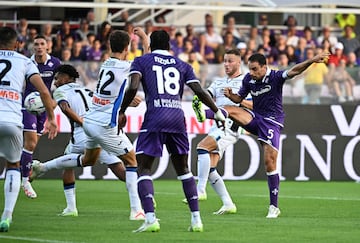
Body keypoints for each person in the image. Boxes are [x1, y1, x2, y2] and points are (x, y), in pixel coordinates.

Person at [194, 51, 330, 218]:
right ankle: (203, 113)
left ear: (264, 67)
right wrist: (231, 96)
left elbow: (295, 71)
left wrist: (312, 60)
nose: (251, 73)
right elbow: (239, 99)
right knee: (232, 109)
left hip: (272, 121)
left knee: (269, 162)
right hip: (255, 118)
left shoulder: (275, 76)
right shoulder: (248, 79)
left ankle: (274, 207)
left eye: (255, 69)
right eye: (250, 69)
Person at [119, 30, 226, 233]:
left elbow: (133, 87)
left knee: (143, 168)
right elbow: (200, 91)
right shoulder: (183, 65)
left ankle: (150, 219)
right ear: (169, 45)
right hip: (177, 118)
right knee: (184, 170)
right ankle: (196, 220)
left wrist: (122, 111)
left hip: (155, 117)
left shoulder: (141, 61)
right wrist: (216, 111)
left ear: (151, 43)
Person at [31, 64, 144, 220]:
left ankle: (68, 204)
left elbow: (65, 107)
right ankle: (143, 196)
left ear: (67, 78)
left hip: (82, 130)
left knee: (68, 163)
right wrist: (128, 101)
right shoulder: (88, 90)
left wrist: (82, 122)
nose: (55, 82)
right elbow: (108, 102)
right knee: (119, 167)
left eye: (57, 78)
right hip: (100, 128)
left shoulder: (60, 91)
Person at [0, 26, 58, 232]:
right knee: (13, 165)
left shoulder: (46, 62)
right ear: (17, 44)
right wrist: (52, 117)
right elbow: (43, 91)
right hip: (12, 119)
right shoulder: (24, 61)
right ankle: (6, 216)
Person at [183, 49, 252, 215]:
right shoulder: (219, 82)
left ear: (239, 62)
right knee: (211, 167)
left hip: (231, 125)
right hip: (217, 125)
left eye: (230, 61)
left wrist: (238, 99)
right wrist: (199, 99)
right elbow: (206, 95)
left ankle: (200, 189)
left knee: (202, 147)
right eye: (225, 61)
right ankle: (228, 203)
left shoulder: (246, 82)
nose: (227, 64)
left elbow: (255, 106)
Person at [20, 34, 61, 199]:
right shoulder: (27, 63)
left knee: (32, 144)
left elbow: (61, 85)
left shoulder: (55, 63)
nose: (38, 47)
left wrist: (54, 103)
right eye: (36, 44)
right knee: (30, 142)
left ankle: (22, 168)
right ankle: (25, 180)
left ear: (47, 46)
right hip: (28, 107)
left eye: (42, 44)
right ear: (32, 47)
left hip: (45, 109)